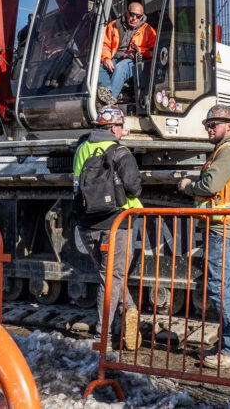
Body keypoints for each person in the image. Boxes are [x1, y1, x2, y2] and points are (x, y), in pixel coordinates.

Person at [177, 105, 230, 368]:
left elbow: (210, 185)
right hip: (226, 227)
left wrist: (189, 186)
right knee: (226, 288)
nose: (209, 129)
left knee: (220, 289)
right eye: (208, 125)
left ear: (229, 127)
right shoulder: (227, 149)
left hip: (224, 229)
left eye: (214, 124)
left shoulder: (228, 151)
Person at [73, 105, 143, 351]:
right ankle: (104, 337)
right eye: (121, 126)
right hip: (116, 224)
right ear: (114, 128)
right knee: (112, 279)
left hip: (86, 224)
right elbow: (133, 187)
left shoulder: (82, 149)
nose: (123, 130)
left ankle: (130, 308)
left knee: (108, 276)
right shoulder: (120, 152)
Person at [97, 0, 156, 105]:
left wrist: (137, 53)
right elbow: (104, 45)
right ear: (127, 12)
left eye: (138, 16)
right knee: (99, 67)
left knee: (121, 67)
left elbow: (154, 50)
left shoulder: (148, 31)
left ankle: (109, 102)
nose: (134, 18)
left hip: (134, 62)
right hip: (114, 59)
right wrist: (106, 58)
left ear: (142, 17)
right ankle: (106, 94)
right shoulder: (113, 25)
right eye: (132, 14)